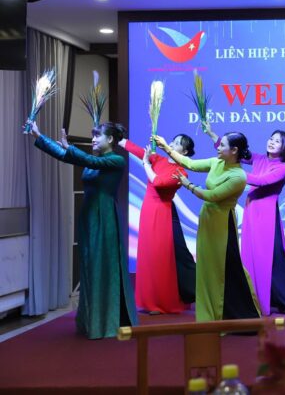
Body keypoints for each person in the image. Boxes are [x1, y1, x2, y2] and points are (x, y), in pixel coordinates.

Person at [27, 121, 137, 339]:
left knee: (102, 267)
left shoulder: (116, 160)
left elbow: (86, 159)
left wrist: (70, 148)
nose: (93, 139)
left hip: (104, 217)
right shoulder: (93, 160)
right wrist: (39, 136)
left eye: (97, 136)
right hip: (89, 218)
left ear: (110, 140)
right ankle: (91, 319)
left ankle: (107, 321)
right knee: (90, 266)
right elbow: (64, 155)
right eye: (92, 136)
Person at [154, 132, 260, 322]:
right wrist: (166, 148)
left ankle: (233, 313)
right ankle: (209, 313)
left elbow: (212, 196)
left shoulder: (238, 176)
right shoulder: (216, 162)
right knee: (206, 266)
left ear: (234, 150)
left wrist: (188, 185)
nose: (218, 147)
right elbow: (190, 164)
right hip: (208, 218)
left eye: (222, 145)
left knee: (223, 268)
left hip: (222, 224)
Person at [204, 124, 285, 316]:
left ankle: (284, 301)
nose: (272, 142)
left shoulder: (283, 168)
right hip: (252, 211)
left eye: (277, 141)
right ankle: (254, 297)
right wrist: (213, 135)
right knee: (252, 255)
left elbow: (261, 181)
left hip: (266, 215)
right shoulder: (259, 158)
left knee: (270, 257)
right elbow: (234, 153)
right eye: (271, 138)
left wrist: (235, 174)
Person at [119, 135, 197, 314]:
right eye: (173, 141)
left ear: (184, 152)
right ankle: (149, 300)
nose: (172, 144)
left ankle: (162, 303)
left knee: (159, 258)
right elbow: (139, 151)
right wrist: (120, 140)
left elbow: (158, 182)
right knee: (148, 256)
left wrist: (146, 164)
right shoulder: (158, 159)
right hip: (148, 210)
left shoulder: (181, 172)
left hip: (162, 214)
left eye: (177, 144)